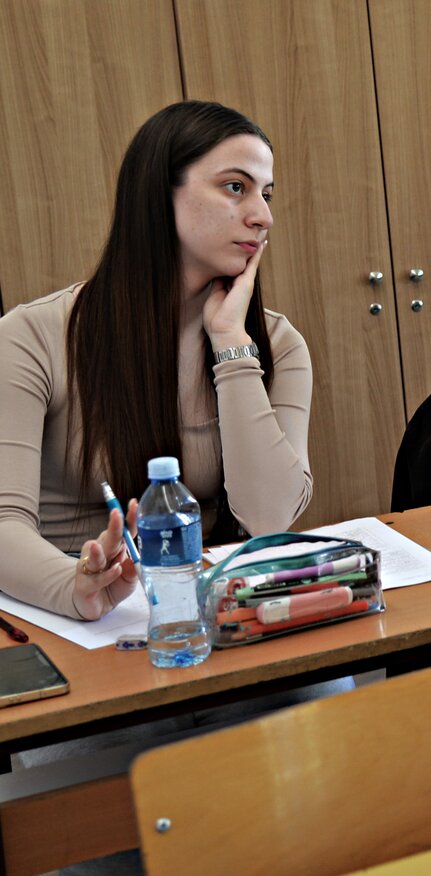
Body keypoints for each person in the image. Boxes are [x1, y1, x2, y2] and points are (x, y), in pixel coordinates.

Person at [0, 100, 312, 622]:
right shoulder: (31, 336)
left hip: (207, 606)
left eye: (266, 193)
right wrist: (75, 587)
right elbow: (4, 521)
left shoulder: (275, 343)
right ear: (158, 195)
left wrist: (230, 344)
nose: (263, 216)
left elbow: (269, 518)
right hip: (67, 613)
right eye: (236, 187)